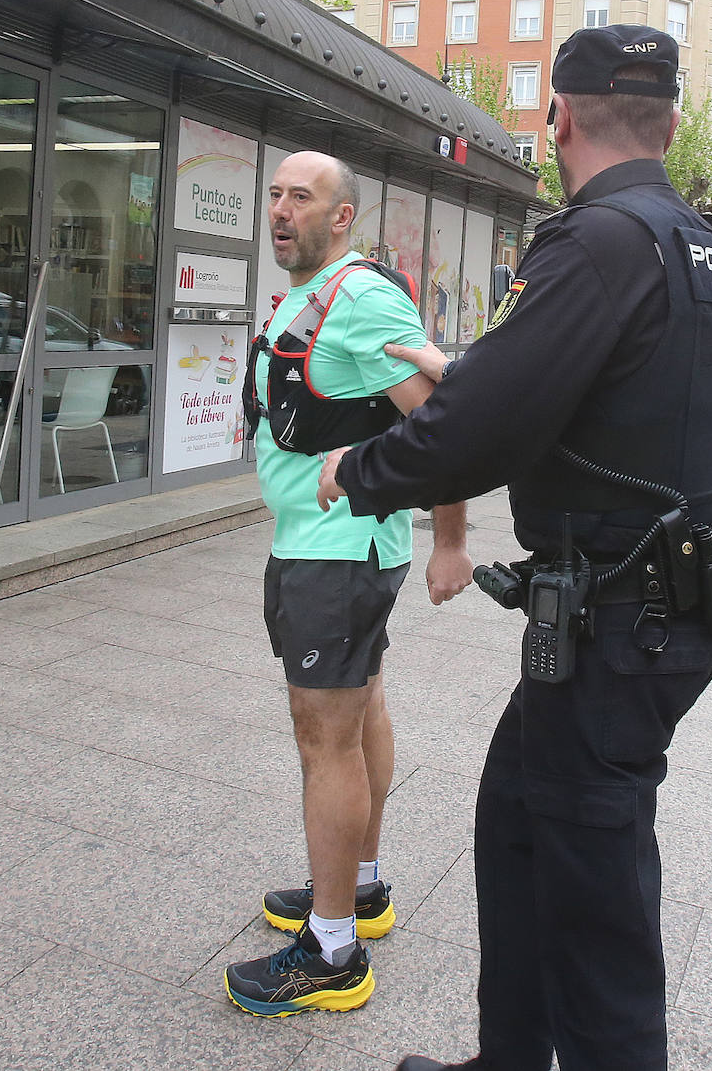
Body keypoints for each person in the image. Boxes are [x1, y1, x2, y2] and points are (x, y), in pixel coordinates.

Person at [316, 23, 712, 1070]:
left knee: (596, 892)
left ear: (555, 116)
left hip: (616, 620)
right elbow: (597, 390)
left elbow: (487, 423)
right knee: (518, 821)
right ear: (675, 122)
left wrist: (362, 472)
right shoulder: (708, 242)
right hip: (660, 609)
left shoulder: (596, 241)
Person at [223, 150, 473, 1018]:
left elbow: (446, 414)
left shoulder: (361, 298)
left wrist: (452, 541)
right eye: (277, 194)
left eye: (304, 197)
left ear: (342, 217)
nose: (282, 210)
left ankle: (333, 952)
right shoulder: (309, 291)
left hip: (340, 547)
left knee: (321, 734)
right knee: (359, 709)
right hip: (320, 541)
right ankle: (360, 889)